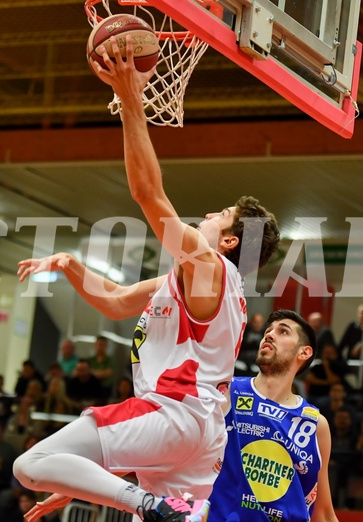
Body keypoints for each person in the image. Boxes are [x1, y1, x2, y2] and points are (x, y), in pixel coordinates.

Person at [14, 37, 279, 522]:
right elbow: (115, 301)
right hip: (199, 437)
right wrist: (72, 265)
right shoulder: (200, 282)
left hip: (172, 413)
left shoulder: (206, 264)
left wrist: (131, 98)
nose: (207, 214)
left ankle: (144, 502)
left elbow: (147, 192)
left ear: (231, 243)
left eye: (220, 215)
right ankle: (149, 504)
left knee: (32, 464)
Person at [207, 310, 337, 522]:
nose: (269, 335)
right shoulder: (227, 392)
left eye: (283, 331)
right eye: (268, 331)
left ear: (304, 352)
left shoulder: (315, 424)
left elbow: (322, 512)